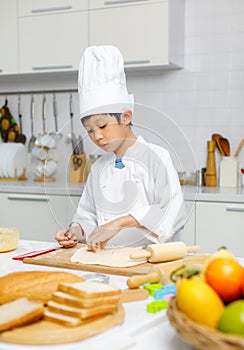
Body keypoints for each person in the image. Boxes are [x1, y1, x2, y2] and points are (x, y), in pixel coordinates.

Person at [55, 45, 186, 251]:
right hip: (105, 259)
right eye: (89, 130)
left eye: (102, 126)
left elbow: (171, 211)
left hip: (146, 260)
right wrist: (76, 230)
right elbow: (87, 213)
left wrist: (119, 222)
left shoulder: (156, 157)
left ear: (126, 117)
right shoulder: (98, 167)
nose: (97, 136)